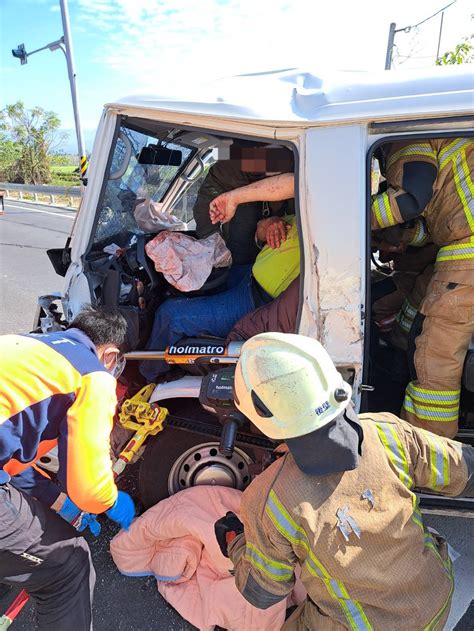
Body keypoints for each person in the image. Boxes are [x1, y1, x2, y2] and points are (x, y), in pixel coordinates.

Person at [210, 139, 474, 438]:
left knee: (435, 365)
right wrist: (397, 236)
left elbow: (410, 201)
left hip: (269, 298)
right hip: (259, 286)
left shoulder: (407, 141)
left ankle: (427, 456)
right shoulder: (441, 151)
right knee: (415, 322)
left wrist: (354, 221)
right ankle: (394, 376)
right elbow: (436, 218)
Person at [214, 332, 474, 631]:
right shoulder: (389, 433)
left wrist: (234, 541)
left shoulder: (268, 497)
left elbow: (263, 593)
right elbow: (467, 471)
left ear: (260, 415)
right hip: (436, 598)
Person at [0, 306, 136, 630]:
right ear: (111, 355)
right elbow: (89, 490)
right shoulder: (93, 375)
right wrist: (113, 502)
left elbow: (12, 458)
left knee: (19, 552)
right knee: (69, 565)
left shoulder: (25, 348)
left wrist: (59, 501)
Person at [140, 214, 300, 381]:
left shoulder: (323, 227)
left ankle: (147, 377)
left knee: (170, 315)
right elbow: (260, 231)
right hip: (250, 276)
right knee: (199, 282)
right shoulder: (304, 208)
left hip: (261, 301)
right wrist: (268, 226)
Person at [193, 142, 294, 264]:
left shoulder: (288, 163)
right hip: (237, 249)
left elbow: (294, 187)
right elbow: (206, 209)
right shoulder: (225, 171)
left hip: (272, 248)